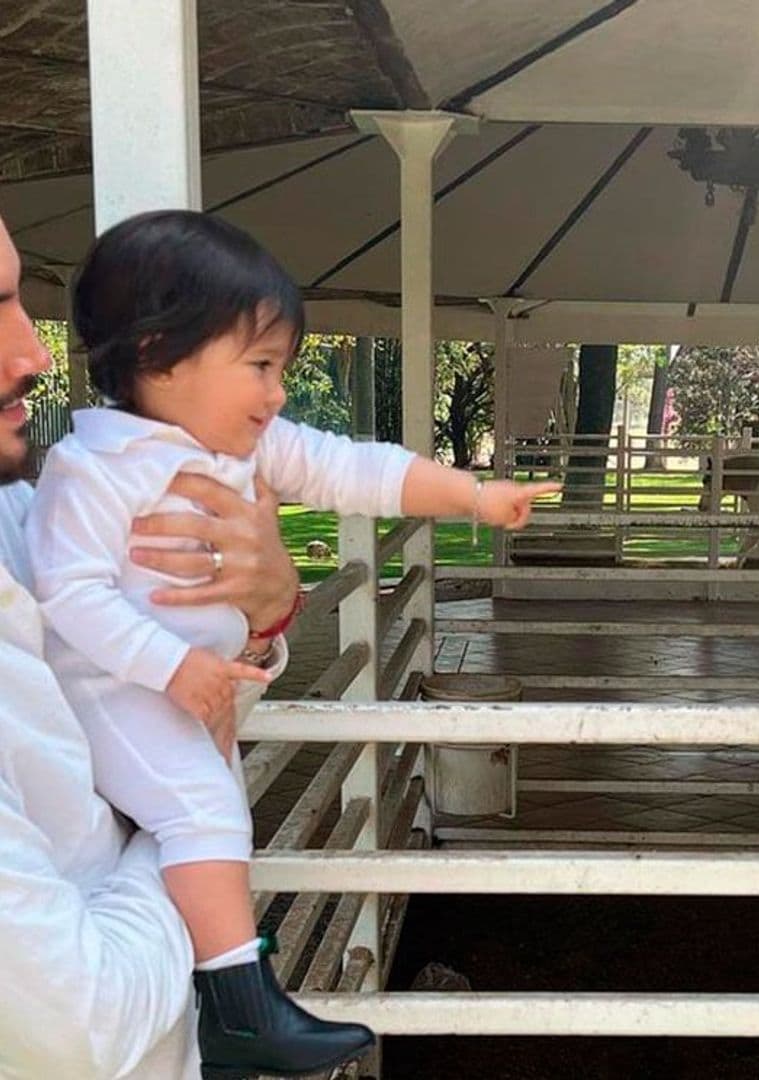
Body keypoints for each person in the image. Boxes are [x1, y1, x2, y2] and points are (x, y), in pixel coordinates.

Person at [25, 209, 558, 1079]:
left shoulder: (248, 448)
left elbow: (357, 468)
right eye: (261, 366)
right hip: (116, 693)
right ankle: (239, 1003)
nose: (277, 394)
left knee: (209, 814)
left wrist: (470, 495)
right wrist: (176, 664)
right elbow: (69, 594)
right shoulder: (92, 470)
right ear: (160, 353)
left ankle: (225, 998)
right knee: (204, 813)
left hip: (183, 691)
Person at [0, 212, 299, 1078]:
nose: (37, 356)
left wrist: (267, 609)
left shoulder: (35, 520)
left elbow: (183, 690)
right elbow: (84, 1031)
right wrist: (181, 821)